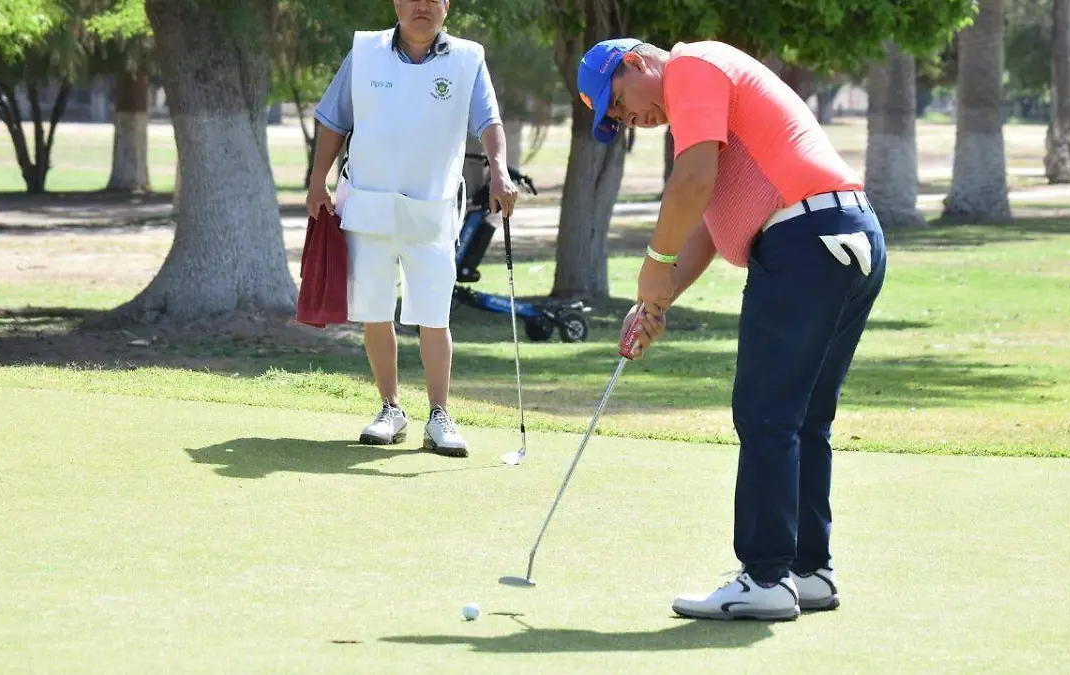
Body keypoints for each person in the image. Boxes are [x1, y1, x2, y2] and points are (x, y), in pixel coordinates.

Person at [577, 38, 887, 620]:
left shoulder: (691, 66)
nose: (625, 121)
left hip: (805, 243)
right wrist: (658, 303)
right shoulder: (702, 104)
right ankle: (807, 569)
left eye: (616, 104)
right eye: (613, 121)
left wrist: (651, 263)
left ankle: (765, 578)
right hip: (847, 233)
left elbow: (692, 183)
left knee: (766, 413)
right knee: (802, 417)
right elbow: (710, 226)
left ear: (634, 64)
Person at [307, 0, 518, 458]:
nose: (422, 5)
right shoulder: (364, 52)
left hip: (432, 210)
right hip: (368, 205)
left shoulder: (467, 58)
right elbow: (332, 119)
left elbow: (489, 122)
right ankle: (390, 409)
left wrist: (499, 171)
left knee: (434, 316)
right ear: (397, 3)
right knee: (375, 311)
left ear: (446, 5)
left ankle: (439, 415)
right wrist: (316, 179)